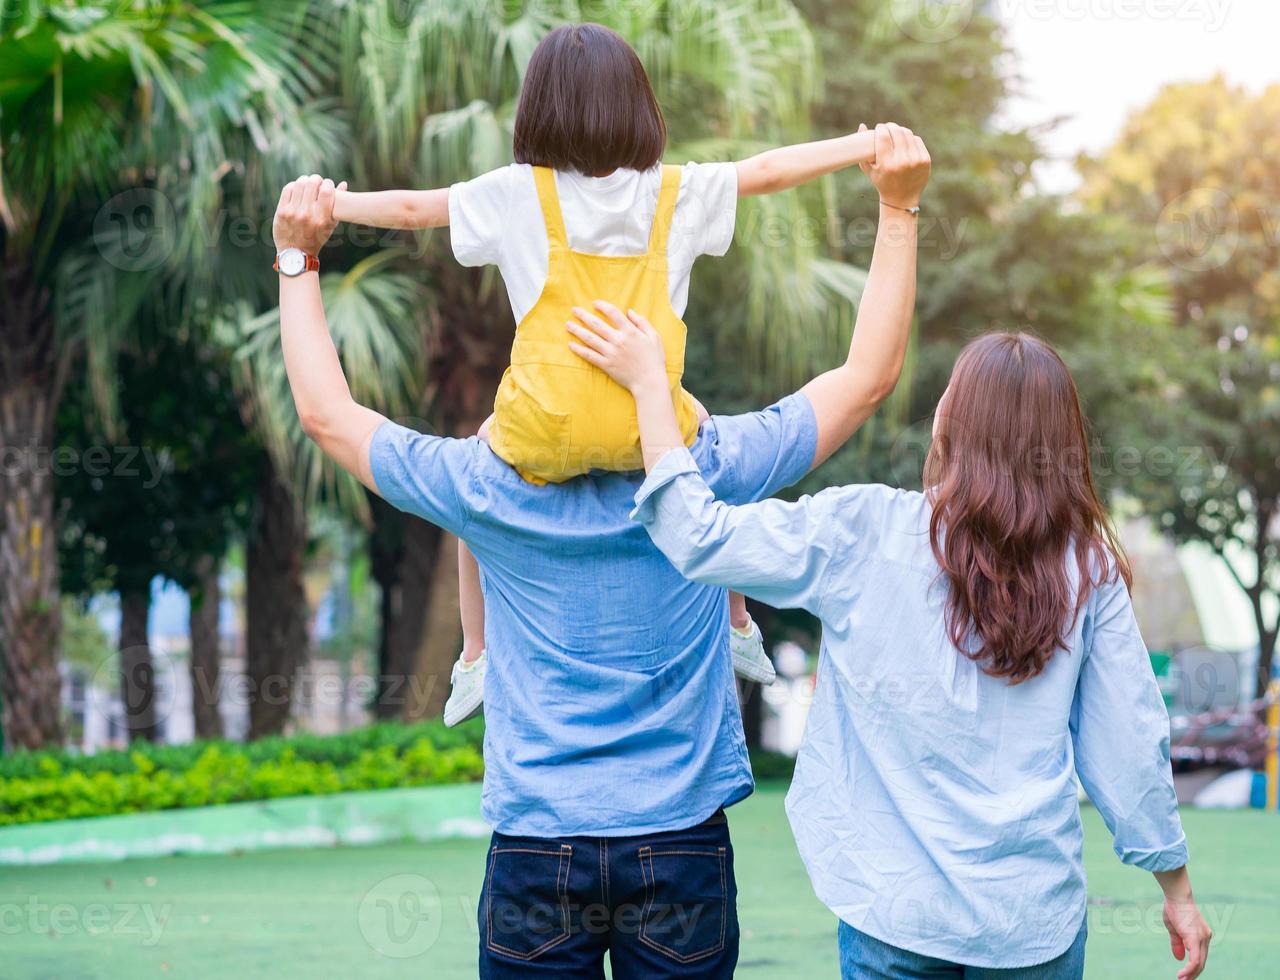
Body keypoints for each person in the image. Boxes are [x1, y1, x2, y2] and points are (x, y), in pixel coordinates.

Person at [270, 122, 929, 977]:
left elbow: (329, 415)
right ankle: (737, 631)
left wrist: (299, 259)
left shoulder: (484, 484)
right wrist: (898, 207)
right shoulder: (707, 474)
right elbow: (865, 378)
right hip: (681, 845)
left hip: (537, 849)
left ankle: (482, 656)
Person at [571, 317, 1214, 978]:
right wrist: (1177, 891)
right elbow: (1128, 743)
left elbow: (697, 537)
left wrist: (652, 386)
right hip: (1030, 923)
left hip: (894, 915)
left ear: (950, 425)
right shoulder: (1089, 568)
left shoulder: (864, 529)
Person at [329, 23, 883, 722]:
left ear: (538, 109)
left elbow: (413, 210)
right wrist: (858, 146)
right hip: (648, 435)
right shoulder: (675, 193)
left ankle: (474, 656)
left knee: (471, 488)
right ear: (639, 106)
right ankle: (739, 622)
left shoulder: (516, 194)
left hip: (541, 434)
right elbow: (768, 170)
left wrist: (335, 205)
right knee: (712, 445)